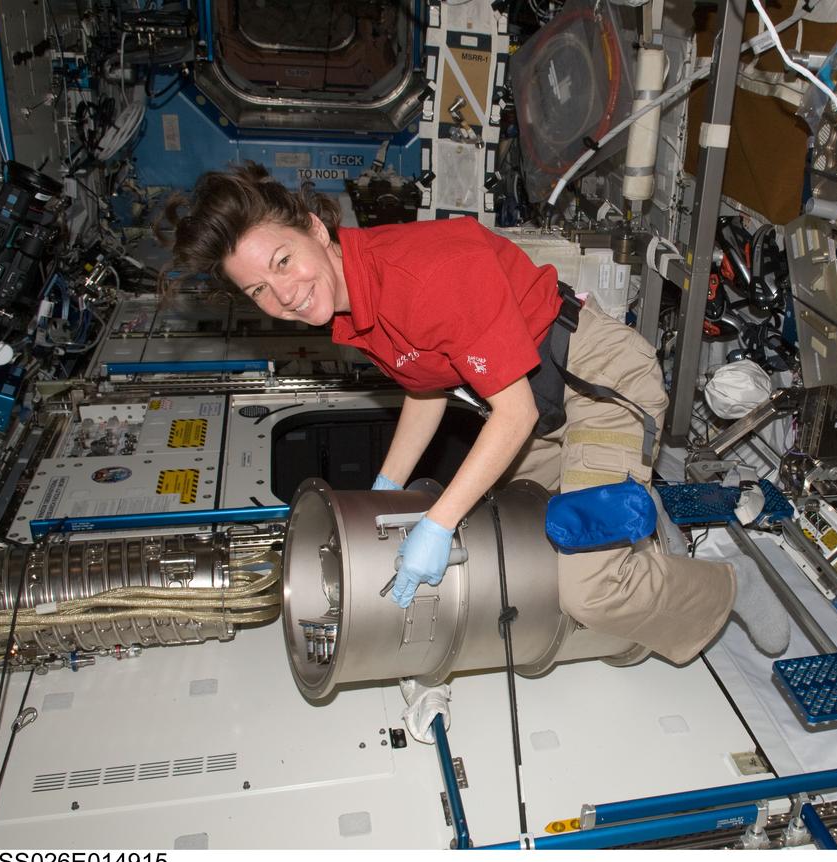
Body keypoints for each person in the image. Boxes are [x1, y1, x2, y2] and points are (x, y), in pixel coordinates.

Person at [160, 162, 789, 664]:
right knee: (526, 524)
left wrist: (435, 524)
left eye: (282, 262)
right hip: (541, 403)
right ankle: (629, 503)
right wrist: (386, 489)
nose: (284, 294)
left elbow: (508, 416)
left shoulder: (422, 276)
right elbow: (426, 385)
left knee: (590, 589)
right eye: (259, 291)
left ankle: (727, 587)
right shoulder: (349, 302)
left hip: (594, 380)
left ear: (316, 232)